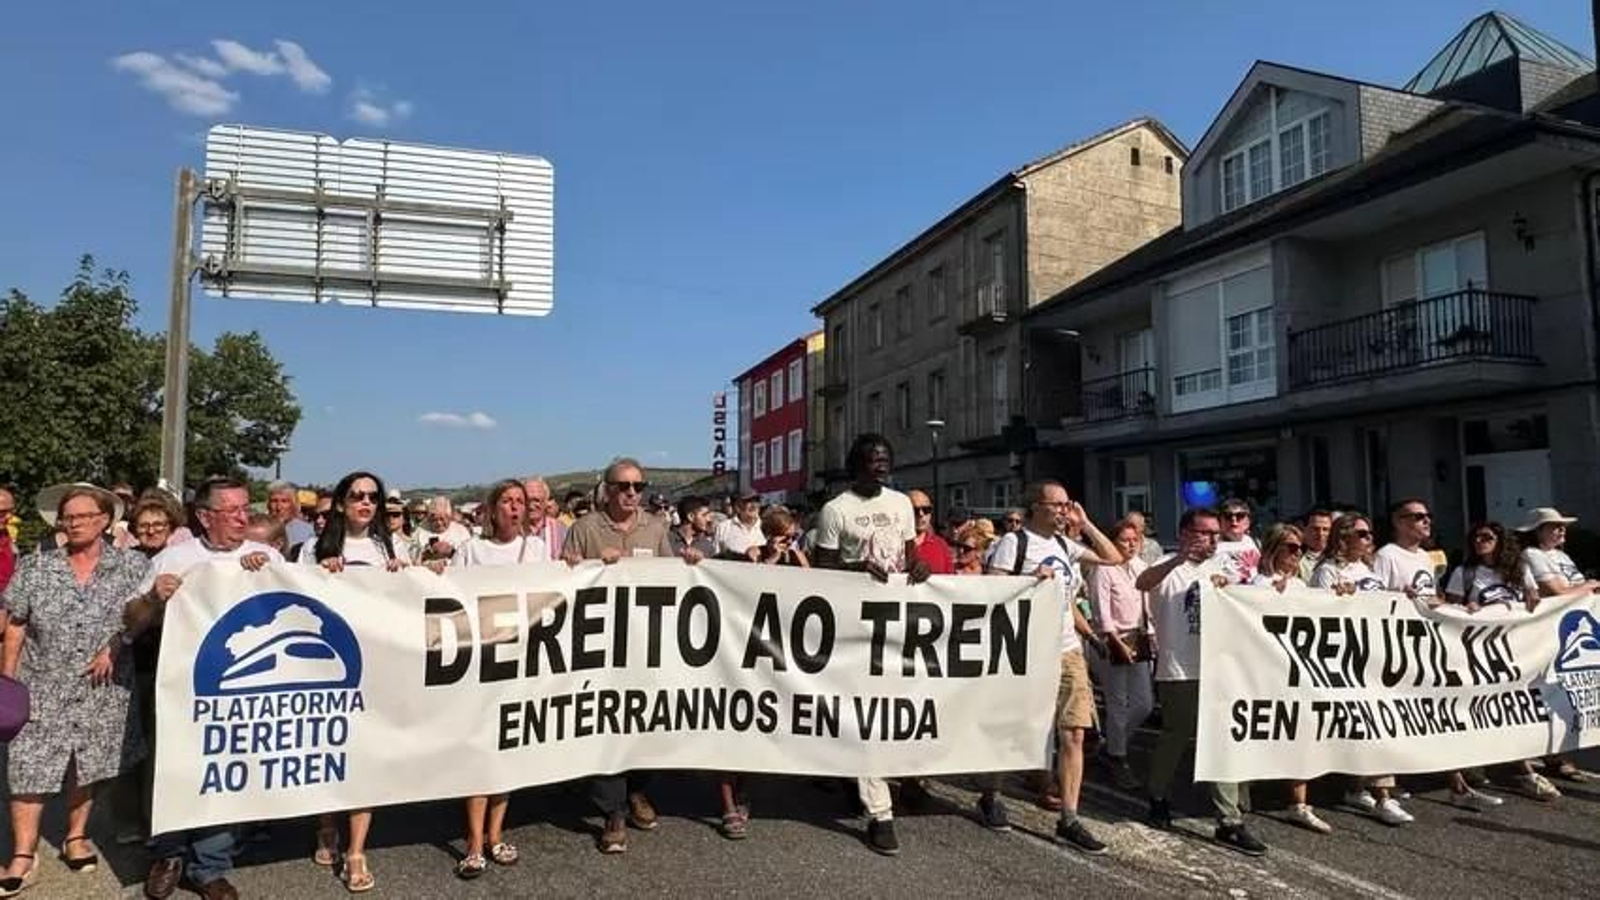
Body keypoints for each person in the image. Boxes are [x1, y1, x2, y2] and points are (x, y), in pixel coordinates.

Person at [123, 476, 279, 900]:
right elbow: (132, 621)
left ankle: (210, 867)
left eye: (247, 508)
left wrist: (267, 577)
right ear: (206, 517)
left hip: (241, 689)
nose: (244, 518)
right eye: (233, 511)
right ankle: (168, 855)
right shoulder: (174, 558)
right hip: (181, 685)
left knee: (225, 770)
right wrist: (153, 599)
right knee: (173, 767)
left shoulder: (266, 556)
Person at [0, 484, 148, 897]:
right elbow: (16, 624)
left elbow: (143, 616)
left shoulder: (132, 566)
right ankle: (23, 854)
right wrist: (7, 680)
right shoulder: (36, 566)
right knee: (28, 767)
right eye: (69, 517)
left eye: (84, 516)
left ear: (104, 521)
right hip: (40, 682)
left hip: (103, 687)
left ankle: (76, 836)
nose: (75, 523)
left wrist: (119, 642)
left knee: (88, 763)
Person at [811, 434, 931, 856]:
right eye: (872, 458)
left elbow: (910, 554)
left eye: (885, 458)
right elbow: (821, 567)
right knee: (868, 717)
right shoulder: (836, 510)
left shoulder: (900, 504)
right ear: (855, 464)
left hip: (897, 626)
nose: (880, 465)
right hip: (854, 626)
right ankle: (881, 813)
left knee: (897, 711)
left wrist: (919, 566)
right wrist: (857, 567)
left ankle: (860, 773)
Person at [987, 482, 1120, 853]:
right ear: (1035, 506)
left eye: (1067, 504)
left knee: (1074, 732)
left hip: (1066, 649)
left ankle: (1070, 818)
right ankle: (992, 793)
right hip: (1026, 649)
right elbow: (991, 591)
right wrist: (1030, 582)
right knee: (1015, 727)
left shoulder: (1065, 544)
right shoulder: (1014, 543)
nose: (1064, 511)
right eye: (1057, 505)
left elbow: (1113, 558)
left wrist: (1086, 523)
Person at [562, 458, 679, 854]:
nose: (632, 493)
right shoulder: (584, 528)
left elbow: (675, 577)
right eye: (624, 486)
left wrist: (691, 564)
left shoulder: (657, 527)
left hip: (645, 644)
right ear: (607, 489)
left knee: (645, 720)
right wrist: (581, 565)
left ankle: (637, 790)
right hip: (600, 646)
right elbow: (563, 581)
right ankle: (612, 811)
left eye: (638, 486)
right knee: (606, 722)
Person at [1138, 507, 1267, 855]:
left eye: (1215, 534)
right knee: (1177, 736)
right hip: (1180, 668)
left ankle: (1229, 819)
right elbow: (1143, 583)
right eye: (1204, 533)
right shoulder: (1168, 566)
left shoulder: (1219, 567)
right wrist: (1180, 558)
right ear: (1185, 533)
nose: (1212, 539)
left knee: (1222, 737)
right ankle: (1158, 794)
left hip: (1219, 667)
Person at [301, 471, 405, 892]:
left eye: (373, 497)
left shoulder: (389, 546)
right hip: (329, 667)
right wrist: (321, 574)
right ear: (342, 503)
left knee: (366, 755)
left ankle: (357, 849)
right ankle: (326, 824)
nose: (366, 502)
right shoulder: (312, 548)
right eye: (357, 495)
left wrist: (405, 573)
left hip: (377, 664)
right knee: (330, 750)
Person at [447, 480, 540, 878]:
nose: (514, 508)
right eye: (507, 501)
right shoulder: (471, 550)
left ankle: (495, 834)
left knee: (505, 752)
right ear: (492, 508)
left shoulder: (538, 549)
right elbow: (448, 593)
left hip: (520, 662)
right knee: (479, 752)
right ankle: (473, 842)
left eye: (520, 502)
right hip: (481, 662)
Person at [1306, 513, 1414, 824]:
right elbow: (1319, 615)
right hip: (1350, 661)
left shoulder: (1367, 569)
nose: (1370, 539)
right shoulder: (1327, 571)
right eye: (1363, 534)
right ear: (1344, 538)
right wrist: (1340, 600)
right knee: (1371, 726)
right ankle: (1383, 797)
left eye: (1369, 534)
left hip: (1377, 658)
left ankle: (1359, 788)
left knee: (1374, 726)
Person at [1444, 521, 1561, 802]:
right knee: (1476, 708)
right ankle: (1472, 766)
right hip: (1478, 652)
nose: (1480, 541)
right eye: (1476, 537)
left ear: (1500, 541)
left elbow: (1533, 599)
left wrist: (1532, 597)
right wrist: (1467, 607)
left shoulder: (1519, 571)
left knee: (1513, 710)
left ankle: (1523, 770)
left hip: (1516, 652)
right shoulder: (1465, 573)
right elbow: (1450, 607)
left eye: (1487, 537)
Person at [1247, 524, 1332, 833]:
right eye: (1292, 548)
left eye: (1300, 549)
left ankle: (1298, 803)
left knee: (1301, 734)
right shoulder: (1257, 583)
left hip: (1299, 671)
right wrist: (1272, 596)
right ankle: (1243, 784)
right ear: (1274, 549)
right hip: (1268, 671)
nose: (1298, 554)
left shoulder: (1299, 585)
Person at [1516, 507, 1599, 784]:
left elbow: (1576, 588)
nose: (1561, 530)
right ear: (1538, 531)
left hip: (1572, 629)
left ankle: (1558, 754)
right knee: (1546, 690)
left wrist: (1588, 588)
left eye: (1562, 525)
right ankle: (1549, 756)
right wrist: (1591, 586)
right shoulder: (1532, 555)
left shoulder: (1562, 556)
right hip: (1549, 632)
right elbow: (1559, 591)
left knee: (1568, 690)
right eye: (1554, 526)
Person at [1086, 518, 1153, 792]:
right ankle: (1117, 757)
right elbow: (1100, 610)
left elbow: (1147, 604)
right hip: (1112, 639)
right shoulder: (1104, 569)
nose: (1131, 545)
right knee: (1117, 702)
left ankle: (1112, 745)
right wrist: (1112, 639)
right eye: (1125, 540)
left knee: (1144, 703)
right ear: (1113, 543)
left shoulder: (1140, 567)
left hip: (1138, 638)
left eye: (1135, 540)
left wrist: (1151, 634)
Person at [1374, 499, 1441, 604]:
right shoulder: (1386, 555)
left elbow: (1431, 598)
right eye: (1419, 517)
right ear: (1397, 522)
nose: (1427, 521)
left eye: (1429, 516)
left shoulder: (1425, 557)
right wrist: (1401, 596)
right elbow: (1375, 598)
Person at [907, 490, 954, 575]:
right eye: (915, 510)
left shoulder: (941, 545)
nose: (921, 514)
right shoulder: (895, 545)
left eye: (926, 510)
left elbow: (950, 579)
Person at [413, 496, 471, 563]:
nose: (439, 523)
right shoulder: (420, 531)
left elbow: (469, 556)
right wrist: (427, 554)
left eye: (442, 519)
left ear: (449, 517)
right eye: (434, 520)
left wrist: (451, 552)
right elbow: (412, 556)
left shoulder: (462, 532)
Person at [1215, 498, 1261, 584]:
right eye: (1228, 516)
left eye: (1240, 516)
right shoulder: (1211, 544)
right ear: (1220, 520)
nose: (1234, 519)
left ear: (1248, 522)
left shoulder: (1255, 542)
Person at [522, 477, 568, 560]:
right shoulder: (513, 531)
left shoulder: (560, 529)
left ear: (546, 501)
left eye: (536, 500)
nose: (531, 505)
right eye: (527, 500)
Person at [714, 491, 765, 558]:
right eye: (749, 501)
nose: (754, 505)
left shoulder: (766, 527)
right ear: (738, 505)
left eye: (757, 501)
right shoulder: (724, 527)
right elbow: (716, 556)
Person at [266, 480, 316, 549]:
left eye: (284, 501)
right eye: (274, 501)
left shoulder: (307, 530)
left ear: (294, 504)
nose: (279, 507)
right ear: (268, 505)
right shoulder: (259, 528)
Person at [1299, 509, 1334, 581]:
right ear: (1304, 530)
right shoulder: (1296, 559)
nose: (1320, 534)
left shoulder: (1339, 557)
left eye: (1325, 529)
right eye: (1315, 529)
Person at [383, 492, 415, 563]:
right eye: (387, 514)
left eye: (396, 514)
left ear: (405, 518)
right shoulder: (379, 542)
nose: (391, 518)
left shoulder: (413, 544)